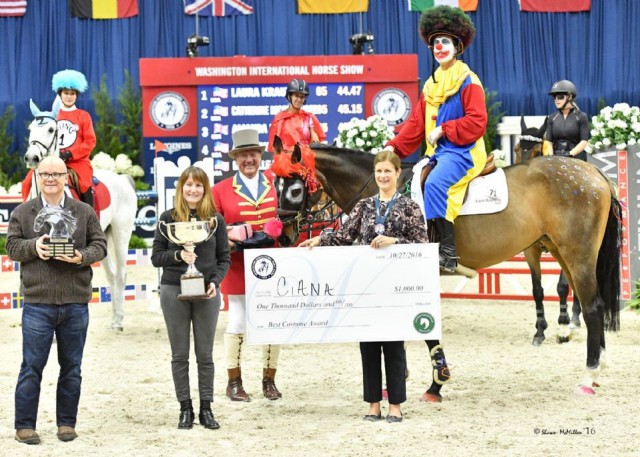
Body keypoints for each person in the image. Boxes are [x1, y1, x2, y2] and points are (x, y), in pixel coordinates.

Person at [300, 151, 443, 422]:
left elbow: (422, 244)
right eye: (379, 171)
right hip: (366, 289)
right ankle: (373, 405)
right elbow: (344, 236)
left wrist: (394, 241)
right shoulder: (365, 206)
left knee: (393, 347)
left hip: (395, 289)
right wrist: (319, 240)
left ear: (398, 173)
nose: (383, 176)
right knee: (368, 349)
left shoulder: (409, 207)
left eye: (388, 171)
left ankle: (396, 407)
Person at [6, 156, 107, 445]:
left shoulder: (84, 211)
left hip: (76, 301)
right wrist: (34, 246)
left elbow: (99, 245)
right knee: (31, 367)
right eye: (45, 174)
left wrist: (80, 256)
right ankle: (25, 426)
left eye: (57, 174)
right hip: (38, 303)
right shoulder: (24, 212)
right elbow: (12, 247)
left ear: (67, 178)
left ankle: (66, 423)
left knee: (72, 367)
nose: (51, 178)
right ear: (38, 177)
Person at [385, 5, 487, 273]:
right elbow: (417, 124)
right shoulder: (430, 85)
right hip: (437, 154)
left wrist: (445, 129)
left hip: (463, 152)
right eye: (435, 43)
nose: (440, 47)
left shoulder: (468, 80)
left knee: (435, 184)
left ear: (457, 45)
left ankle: (448, 253)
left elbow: (477, 121)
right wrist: (392, 148)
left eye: (445, 41)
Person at [151, 166, 231, 430]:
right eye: (188, 185)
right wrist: (178, 256)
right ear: (181, 188)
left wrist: (215, 282)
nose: (193, 190)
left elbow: (224, 258)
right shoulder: (167, 219)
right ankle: (185, 408)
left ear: (205, 189)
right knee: (179, 354)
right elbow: (155, 257)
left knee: (205, 354)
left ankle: (206, 408)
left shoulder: (215, 220)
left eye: (198, 185)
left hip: (206, 292)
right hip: (174, 289)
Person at [212, 128, 283, 402]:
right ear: (235, 159)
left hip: (271, 262)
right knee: (238, 320)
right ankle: (234, 382)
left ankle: (269, 380)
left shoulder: (276, 184)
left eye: (252, 154)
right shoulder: (220, 190)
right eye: (243, 155)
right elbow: (215, 227)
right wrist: (229, 236)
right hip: (239, 263)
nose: (248, 159)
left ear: (260, 155)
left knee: (272, 321)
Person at [51, 69, 96, 208]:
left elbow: (90, 141)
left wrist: (71, 153)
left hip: (78, 162)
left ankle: (90, 218)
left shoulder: (84, 116)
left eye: (72, 94)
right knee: (30, 179)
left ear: (76, 95)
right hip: (54, 160)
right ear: (60, 94)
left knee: (84, 183)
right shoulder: (53, 116)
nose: (69, 97)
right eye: (66, 93)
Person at [268, 78, 326, 153]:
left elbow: (315, 143)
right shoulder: (279, 118)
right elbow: (275, 148)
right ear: (290, 96)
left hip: (306, 160)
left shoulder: (309, 117)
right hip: (285, 161)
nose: (299, 99)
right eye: (296, 96)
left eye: (302, 97)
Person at [543, 80, 589, 161]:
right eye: (554, 97)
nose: (556, 100)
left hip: (575, 157)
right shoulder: (552, 117)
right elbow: (548, 141)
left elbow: (584, 141)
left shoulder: (581, 117)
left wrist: (570, 154)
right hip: (556, 158)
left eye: (560, 97)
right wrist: (551, 157)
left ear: (570, 97)